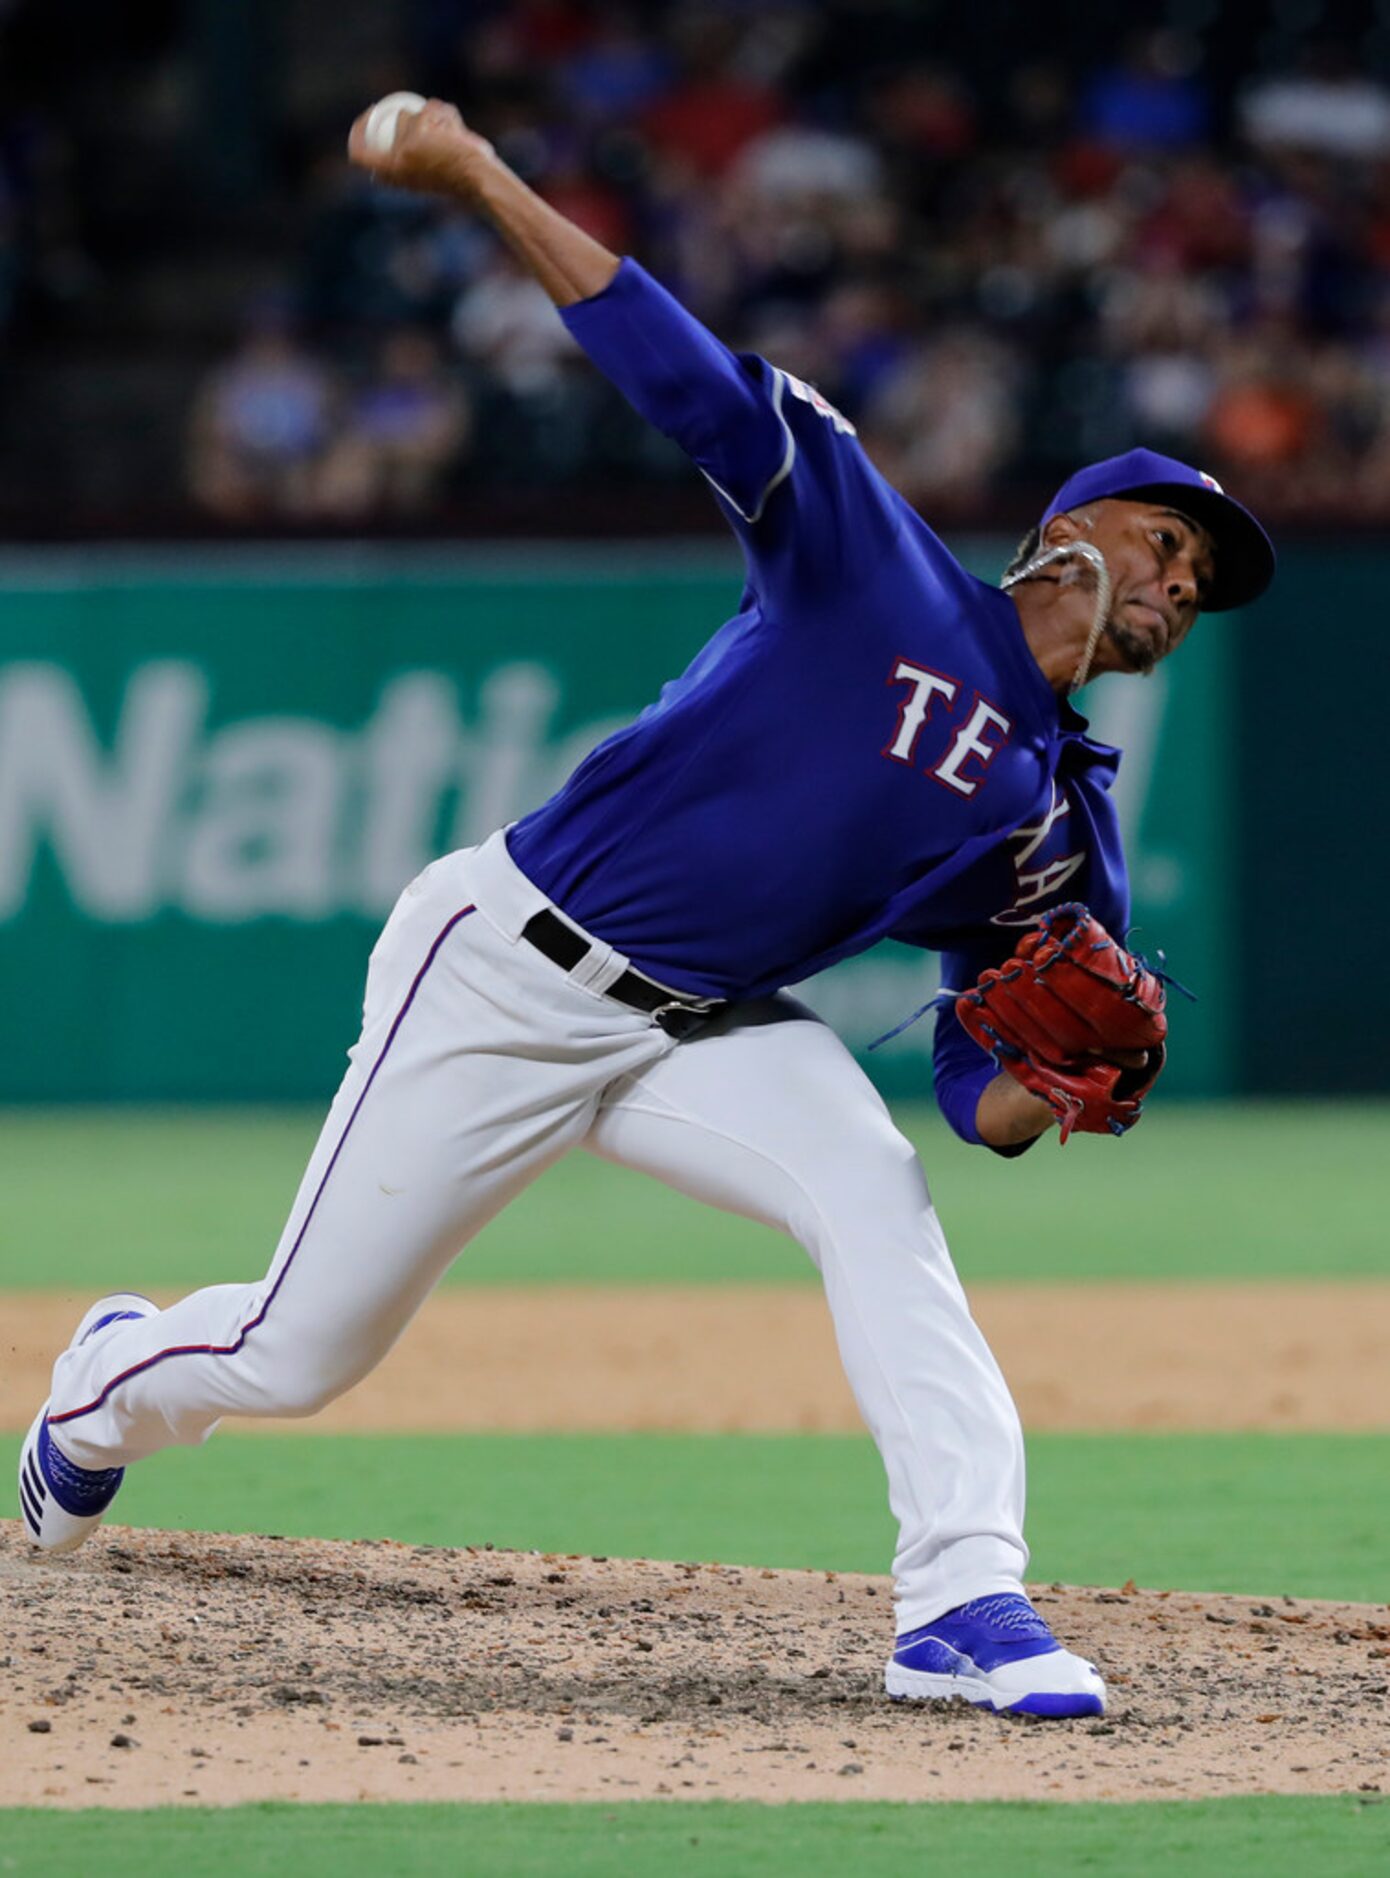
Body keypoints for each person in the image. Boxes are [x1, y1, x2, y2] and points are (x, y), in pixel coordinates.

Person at [19, 100, 1275, 1721]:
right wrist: (477, 176)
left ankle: (960, 1598)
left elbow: (982, 1085)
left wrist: (1043, 1087)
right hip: (508, 968)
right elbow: (670, 362)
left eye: (1202, 585)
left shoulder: (1056, 822)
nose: (1178, 587)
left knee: (877, 1198)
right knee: (295, 1354)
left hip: (711, 1026)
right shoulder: (869, 559)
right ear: (1075, 526)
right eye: (1168, 543)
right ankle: (101, 1388)